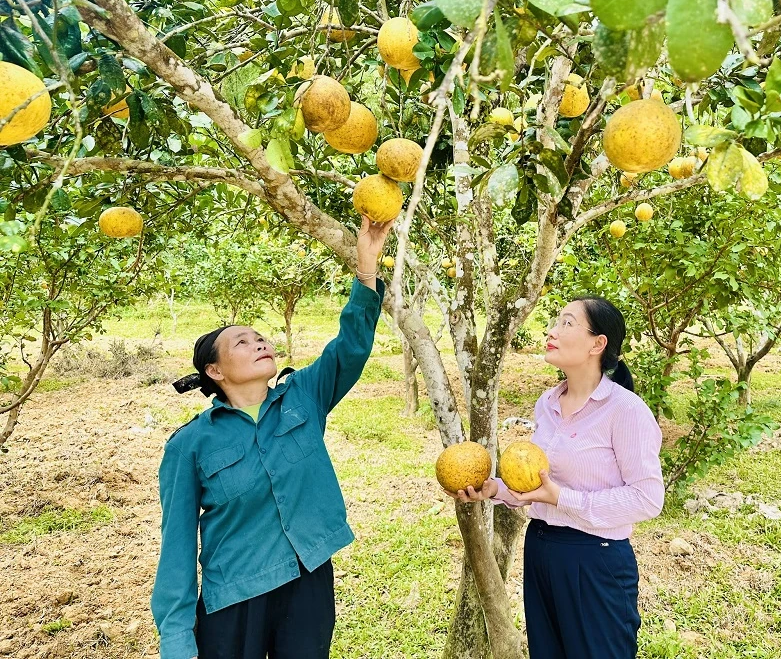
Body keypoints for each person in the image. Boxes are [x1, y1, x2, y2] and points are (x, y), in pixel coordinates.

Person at [151, 216, 393, 659]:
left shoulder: (303, 396)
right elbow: (177, 546)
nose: (259, 342)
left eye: (260, 337)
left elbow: (351, 346)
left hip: (307, 580)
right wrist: (177, 639)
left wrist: (366, 267)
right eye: (242, 343)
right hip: (235, 596)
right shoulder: (190, 444)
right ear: (215, 371)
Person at [448, 297, 665, 659]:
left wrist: (561, 498)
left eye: (567, 323)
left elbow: (647, 499)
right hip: (541, 549)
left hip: (595, 559)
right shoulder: (547, 403)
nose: (552, 331)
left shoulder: (626, 410)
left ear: (598, 344)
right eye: (556, 321)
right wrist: (494, 488)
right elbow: (537, 485)